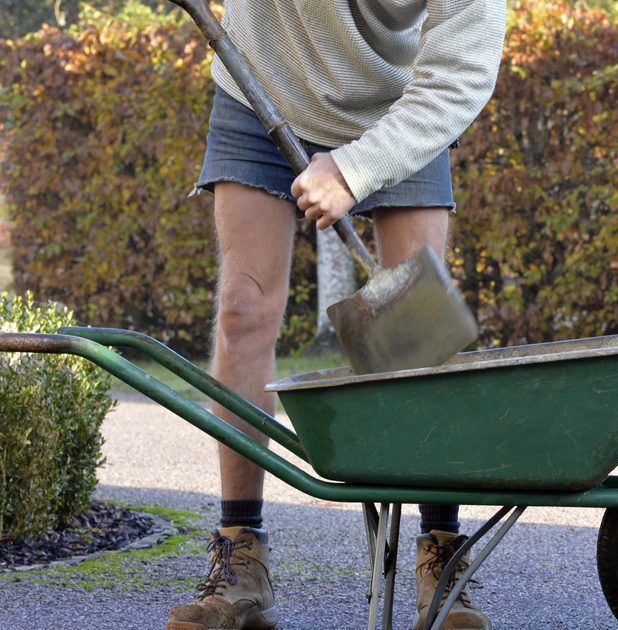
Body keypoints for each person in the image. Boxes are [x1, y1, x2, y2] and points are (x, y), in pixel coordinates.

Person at [164, 1, 506, 629]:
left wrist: (354, 169)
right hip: (259, 81)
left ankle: (440, 552)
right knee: (243, 310)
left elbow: (460, 73)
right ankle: (241, 559)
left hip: (400, 108)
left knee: (415, 328)